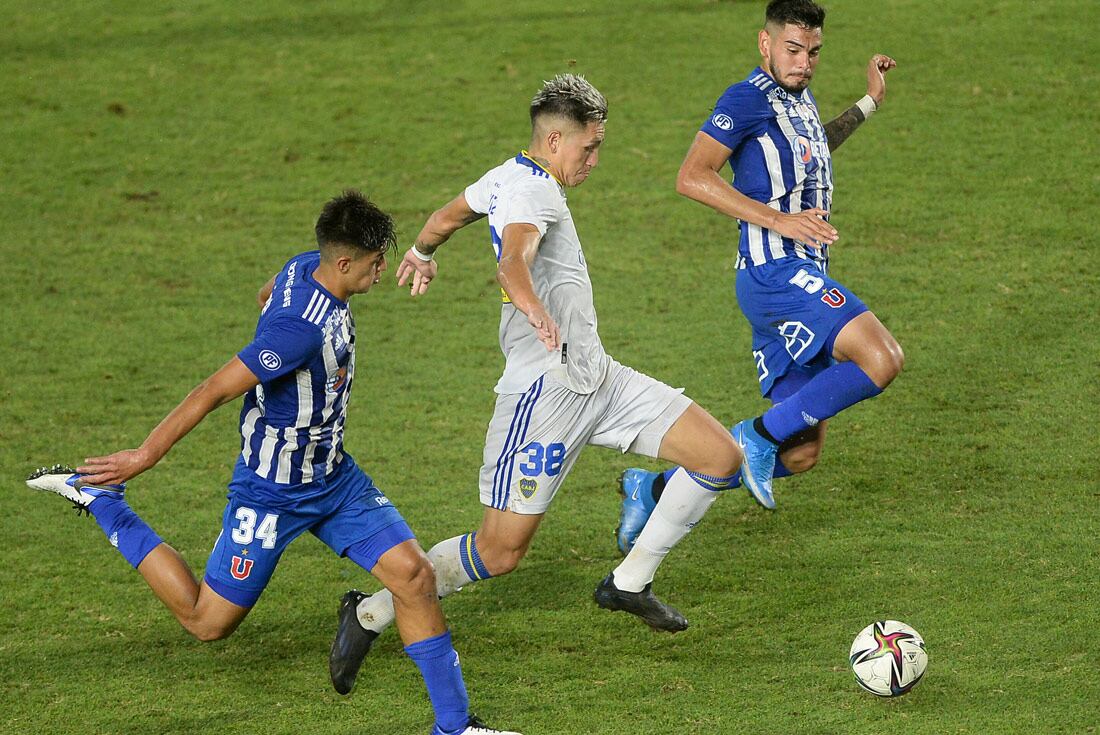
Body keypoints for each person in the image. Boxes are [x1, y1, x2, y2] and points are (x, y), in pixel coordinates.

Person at [25, 191, 519, 735]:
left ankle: (454, 727)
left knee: (414, 576)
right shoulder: (297, 334)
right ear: (344, 262)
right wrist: (144, 456)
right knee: (205, 622)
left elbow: (268, 292)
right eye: (376, 261)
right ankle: (105, 503)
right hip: (271, 493)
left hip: (333, 479)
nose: (383, 270)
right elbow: (213, 389)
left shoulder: (307, 267)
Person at [328, 73, 744, 694]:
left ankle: (628, 583)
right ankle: (369, 613)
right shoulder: (533, 194)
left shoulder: (507, 176)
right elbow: (513, 258)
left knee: (721, 457)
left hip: (598, 379)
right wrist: (532, 307)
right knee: (500, 553)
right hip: (543, 398)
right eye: (589, 149)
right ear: (554, 139)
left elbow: (451, 213)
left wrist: (420, 251)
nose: (595, 161)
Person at [615, 0, 903, 554]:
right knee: (881, 358)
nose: (804, 63)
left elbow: (811, 147)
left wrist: (868, 103)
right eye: (793, 50)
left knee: (801, 453)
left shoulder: (798, 100)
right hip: (775, 274)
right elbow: (691, 176)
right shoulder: (745, 98)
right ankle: (755, 435)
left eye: (813, 52)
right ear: (765, 44)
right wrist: (778, 219)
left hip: (794, 276)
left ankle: (649, 489)